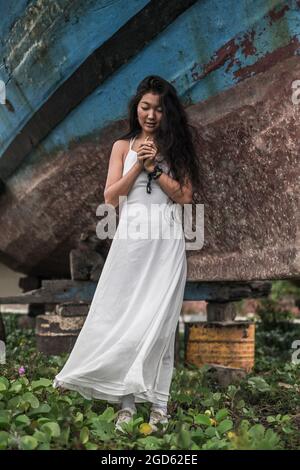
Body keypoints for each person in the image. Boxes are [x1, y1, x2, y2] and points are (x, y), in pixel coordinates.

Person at [53, 75, 201, 433]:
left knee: (162, 326)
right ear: (136, 108)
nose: (151, 115)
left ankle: (160, 407)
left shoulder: (177, 146)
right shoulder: (122, 146)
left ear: (169, 113)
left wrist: (155, 168)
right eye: (145, 107)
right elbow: (110, 197)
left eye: (159, 109)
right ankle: (126, 404)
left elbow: (184, 197)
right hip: (130, 246)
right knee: (128, 324)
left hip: (165, 245)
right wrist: (138, 165)